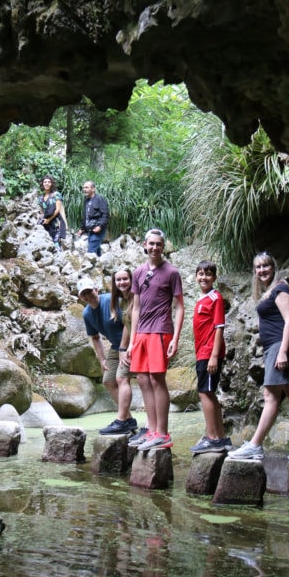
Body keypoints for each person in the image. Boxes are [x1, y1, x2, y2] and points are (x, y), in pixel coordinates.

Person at [227, 251, 289, 461]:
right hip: (274, 346)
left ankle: (255, 445)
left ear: (273, 267)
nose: (262, 270)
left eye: (266, 266)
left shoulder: (279, 288)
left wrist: (282, 352)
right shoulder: (275, 290)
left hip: (280, 346)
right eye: (258, 267)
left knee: (271, 395)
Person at [126, 228, 184, 451]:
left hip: (160, 330)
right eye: (151, 244)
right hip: (141, 332)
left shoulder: (172, 272)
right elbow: (136, 308)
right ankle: (151, 430)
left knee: (157, 379)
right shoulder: (139, 272)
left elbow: (179, 306)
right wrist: (132, 341)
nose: (155, 247)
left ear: (163, 246)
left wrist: (175, 338)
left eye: (159, 244)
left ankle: (163, 433)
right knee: (142, 379)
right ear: (144, 245)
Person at [77, 275, 138, 435]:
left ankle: (121, 420)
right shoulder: (87, 314)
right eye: (84, 294)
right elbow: (95, 337)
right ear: (80, 297)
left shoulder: (111, 300)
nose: (88, 296)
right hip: (115, 347)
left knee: (122, 378)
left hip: (131, 343)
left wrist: (124, 347)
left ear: (96, 289)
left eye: (89, 291)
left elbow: (128, 322)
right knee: (108, 380)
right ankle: (128, 420)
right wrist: (102, 359)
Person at [189, 261, 232, 454]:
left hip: (209, 353)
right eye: (200, 274)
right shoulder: (202, 299)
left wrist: (214, 356)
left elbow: (219, 327)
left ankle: (212, 438)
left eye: (207, 274)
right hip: (202, 353)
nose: (203, 277)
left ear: (214, 277)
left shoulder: (215, 297)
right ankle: (221, 438)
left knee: (204, 393)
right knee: (209, 392)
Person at [76, 180, 109, 256]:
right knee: (96, 253)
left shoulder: (100, 199)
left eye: (87, 188)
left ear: (93, 189)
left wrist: (100, 226)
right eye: (84, 188)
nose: (84, 189)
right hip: (90, 230)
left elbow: (105, 214)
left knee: (90, 253)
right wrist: (82, 229)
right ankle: (100, 266)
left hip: (97, 230)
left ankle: (90, 267)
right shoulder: (86, 200)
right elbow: (86, 216)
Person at [37, 175, 67, 249]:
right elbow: (42, 211)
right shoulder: (40, 197)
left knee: (56, 243)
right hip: (46, 223)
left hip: (56, 222)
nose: (47, 184)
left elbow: (58, 210)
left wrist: (49, 220)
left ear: (51, 184)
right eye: (45, 182)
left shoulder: (56, 194)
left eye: (49, 182)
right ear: (42, 184)